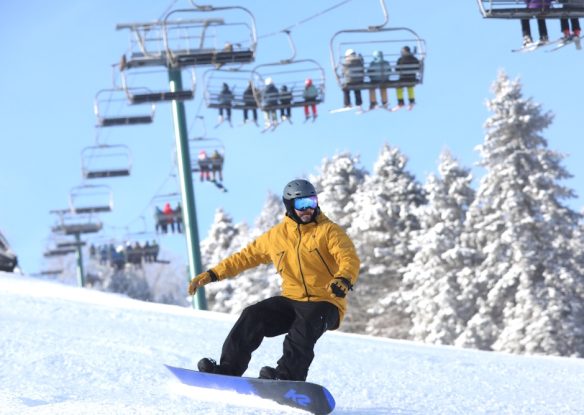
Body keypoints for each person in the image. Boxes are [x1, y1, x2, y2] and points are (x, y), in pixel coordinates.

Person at [189, 179, 360, 381]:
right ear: (289, 205)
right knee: (253, 315)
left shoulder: (329, 231)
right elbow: (245, 257)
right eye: (301, 205)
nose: (307, 209)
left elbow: (348, 257)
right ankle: (228, 370)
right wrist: (212, 274)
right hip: (292, 300)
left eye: (311, 202)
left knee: (302, 330)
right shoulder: (277, 236)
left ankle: (287, 378)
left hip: (326, 302)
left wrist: (343, 278)